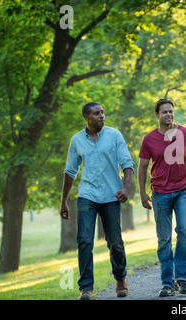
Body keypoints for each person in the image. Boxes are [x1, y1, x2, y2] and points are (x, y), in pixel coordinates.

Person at [60, 102, 134, 300]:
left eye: (102, 112)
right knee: (84, 241)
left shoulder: (114, 136)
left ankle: (120, 278)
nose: (101, 116)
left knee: (115, 242)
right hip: (87, 195)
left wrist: (126, 188)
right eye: (96, 113)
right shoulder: (77, 140)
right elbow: (70, 171)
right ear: (86, 117)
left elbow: (127, 164)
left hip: (111, 195)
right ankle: (85, 288)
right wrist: (64, 201)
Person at [138, 98, 186, 297]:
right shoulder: (149, 139)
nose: (168, 114)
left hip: (183, 190)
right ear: (157, 115)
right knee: (164, 239)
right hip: (159, 193)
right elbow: (143, 167)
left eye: (171, 111)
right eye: (164, 112)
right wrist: (142, 192)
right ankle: (167, 283)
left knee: (185, 231)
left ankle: (182, 280)